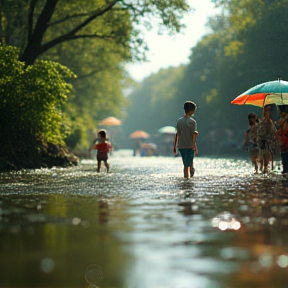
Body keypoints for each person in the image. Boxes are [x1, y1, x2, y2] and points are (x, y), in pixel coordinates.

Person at [173, 101, 198, 178]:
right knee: (190, 162)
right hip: (190, 145)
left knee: (185, 165)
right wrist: (194, 146)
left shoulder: (179, 121)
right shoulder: (193, 122)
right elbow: (193, 135)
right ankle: (191, 173)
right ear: (191, 110)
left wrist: (174, 146)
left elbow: (177, 134)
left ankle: (186, 180)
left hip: (181, 146)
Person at [257, 105, 275, 174]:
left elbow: (271, 131)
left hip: (267, 140)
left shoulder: (269, 121)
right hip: (261, 139)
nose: (266, 112)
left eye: (267, 111)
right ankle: (262, 167)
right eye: (265, 111)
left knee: (266, 154)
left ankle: (265, 167)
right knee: (262, 153)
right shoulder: (261, 120)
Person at [276, 105, 288, 175]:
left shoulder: (283, 121)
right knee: (284, 156)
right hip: (283, 142)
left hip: (285, 140)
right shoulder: (281, 121)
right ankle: (285, 169)